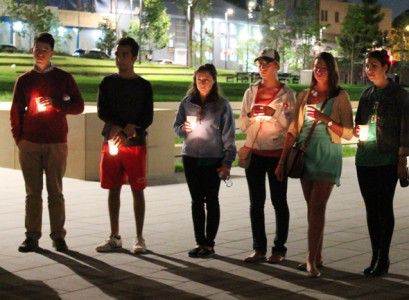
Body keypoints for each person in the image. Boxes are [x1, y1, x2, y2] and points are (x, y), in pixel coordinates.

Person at [275, 52, 353, 277]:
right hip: (304, 154)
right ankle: (316, 255)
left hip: (327, 153)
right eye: (317, 67)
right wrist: (281, 162)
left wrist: (325, 119)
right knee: (313, 209)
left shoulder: (340, 97)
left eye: (324, 68)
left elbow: (347, 132)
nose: (319, 71)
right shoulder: (305, 95)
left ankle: (310, 259)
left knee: (317, 207)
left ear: (332, 71)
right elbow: (292, 130)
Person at [10, 32, 84, 252]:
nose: (39, 53)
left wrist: (57, 104)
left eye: (44, 50)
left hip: (56, 142)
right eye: (36, 49)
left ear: (52, 52)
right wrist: (19, 139)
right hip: (30, 143)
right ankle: (32, 236)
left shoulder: (63, 78)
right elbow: (15, 112)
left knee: (55, 191)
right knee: (32, 192)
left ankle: (58, 236)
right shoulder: (24, 80)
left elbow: (78, 106)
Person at [95, 37, 153, 254]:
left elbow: (147, 116)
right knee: (113, 188)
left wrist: (132, 127)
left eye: (125, 54)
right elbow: (103, 111)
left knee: (138, 189)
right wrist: (120, 128)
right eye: (117, 54)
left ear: (134, 57)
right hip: (111, 143)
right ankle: (114, 236)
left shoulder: (144, 86)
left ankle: (139, 238)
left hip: (135, 144)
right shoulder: (107, 83)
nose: (120, 58)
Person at [354, 50, 409, 277]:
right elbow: (359, 123)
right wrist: (357, 131)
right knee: (370, 208)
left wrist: (402, 159)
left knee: (384, 207)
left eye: (374, 65)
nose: (369, 69)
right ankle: (375, 254)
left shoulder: (399, 95)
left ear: (386, 67)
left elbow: (406, 129)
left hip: (387, 158)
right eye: (367, 65)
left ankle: (383, 257)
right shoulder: (367, 94)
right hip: (365, 158)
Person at [239, 48, 296, 264]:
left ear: (277, 66)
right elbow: (242, 124)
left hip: (276, 154)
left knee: (279, 201)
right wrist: (252, 116)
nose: (262, 67)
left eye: (267, 63)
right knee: (256, 202)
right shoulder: (250, 92)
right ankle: (258, 248)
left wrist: (274, 116)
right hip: (254, 152)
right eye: (260, 63)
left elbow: (291, 126)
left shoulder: (286, 94)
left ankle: (279, 248)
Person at [174, 63, 236, 258]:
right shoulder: (187, 102)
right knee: (196, 201)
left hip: (212, 158)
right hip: (190, 157)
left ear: (214, 80)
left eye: (206, 79)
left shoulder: (221, 105)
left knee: (212, 200)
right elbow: (176, 127)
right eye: (199, 79)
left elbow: (229, 136)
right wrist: (183, 128)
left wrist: (227, 162)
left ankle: (209, 244)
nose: (202, 83)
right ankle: (199, 241)